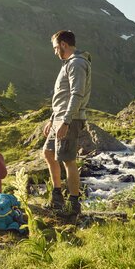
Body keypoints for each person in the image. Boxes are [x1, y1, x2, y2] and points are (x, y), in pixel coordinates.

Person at [42, 30, 92, 217]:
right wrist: (52, 119)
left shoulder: (77, 63)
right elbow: (62, 97)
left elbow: (76, 94)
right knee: (48, 153)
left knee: (68, 159)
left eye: (56, 48)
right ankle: (57, 197)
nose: (55, 52)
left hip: (69, 119)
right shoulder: (68, 64)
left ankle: (73, 205)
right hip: (59, 117)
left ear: (63, 44)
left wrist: (66, 121)